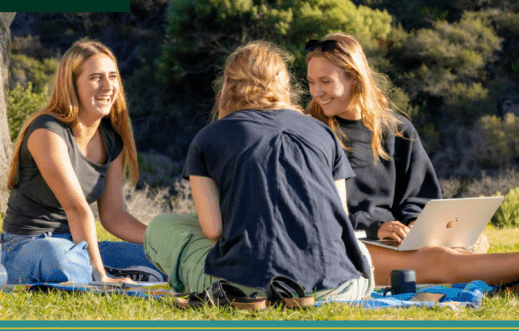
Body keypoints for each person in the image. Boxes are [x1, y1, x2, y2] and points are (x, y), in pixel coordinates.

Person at [144, 41, 374, 300]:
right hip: (338, 287)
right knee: (361, 252)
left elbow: (213, 230)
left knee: (160, 227)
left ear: (228, 84)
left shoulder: (209, 138)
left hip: (248, 289)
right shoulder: (324, 133)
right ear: (285, 84)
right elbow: (339, 219)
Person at [305, 32, 519, 288]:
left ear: (354, 78)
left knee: (459, 247)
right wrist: (375, 228)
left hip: (394, 240)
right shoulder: (310, 132)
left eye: (325, 81)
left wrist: (415, 223)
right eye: (311, 82)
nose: (317, 92)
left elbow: (417, 196)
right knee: (439, 260)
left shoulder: (396, 129)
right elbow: (315, 210)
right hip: (347, 243)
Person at [0, 38, 161, 285]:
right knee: (64, 260)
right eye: (96, 77)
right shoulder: (47, 131)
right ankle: (101, 275)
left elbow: (115, 216)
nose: (108, 86)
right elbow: (77, 209)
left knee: (157, 257)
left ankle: (105, 272)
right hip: (29, 245)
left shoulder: (111, 139)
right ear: (72, 85)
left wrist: (167, 241)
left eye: (113, 76)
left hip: (79, 244)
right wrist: (100, 276)